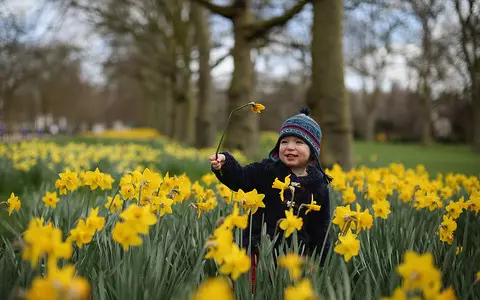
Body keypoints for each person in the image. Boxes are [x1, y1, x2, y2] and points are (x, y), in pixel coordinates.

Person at [209, 108, 332, 288]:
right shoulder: (267, 171)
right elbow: (241, 178)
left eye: (299, 142)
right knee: (252, 289)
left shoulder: (318, 184)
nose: (290, 147)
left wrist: (320, 260)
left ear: (312, 151)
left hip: (294, 255)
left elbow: (321, 227)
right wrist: (224, 164)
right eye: (284, 141)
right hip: (257, 249)